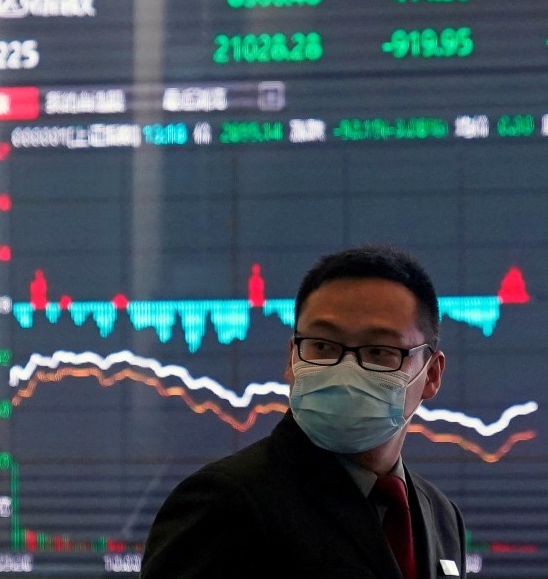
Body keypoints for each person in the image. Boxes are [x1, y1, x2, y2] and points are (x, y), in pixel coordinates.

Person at [141, 245, 466, 578]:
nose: (346, 370)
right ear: (292, 359)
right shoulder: (225, 503)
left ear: (431, 375)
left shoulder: (440, 516)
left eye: (378, 350)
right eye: (323, 346)